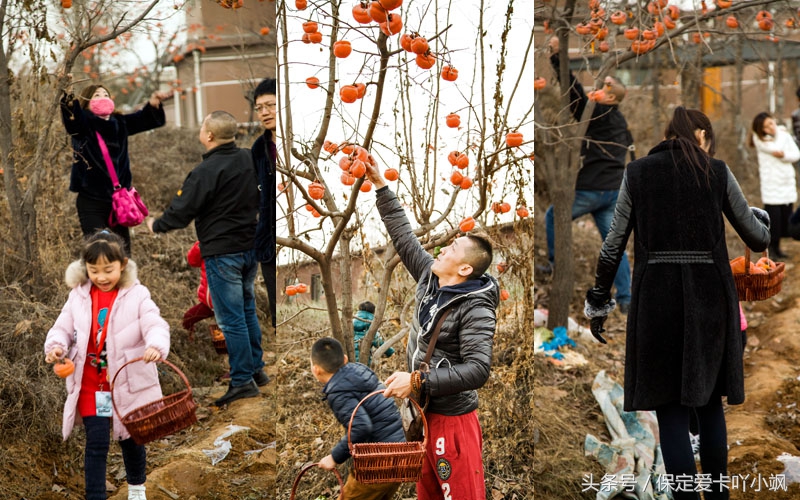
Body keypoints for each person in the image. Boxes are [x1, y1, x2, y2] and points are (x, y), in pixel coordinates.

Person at [584, 107, 771, 500]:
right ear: (700, 133)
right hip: (711, 301)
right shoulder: (716, 171)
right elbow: (756, 238)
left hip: (656, 302)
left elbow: (613, 243)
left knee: (670, 411)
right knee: (710, 407)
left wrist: (598, 301)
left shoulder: (637, 173)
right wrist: (760, 218)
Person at [364, 163, 500, 500]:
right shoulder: (431, 277)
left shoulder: (476, 308)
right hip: (423, 414)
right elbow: (403, 235)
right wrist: (381, 186)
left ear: (465, 268)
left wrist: (415, 381)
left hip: (453, 422)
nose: (441, 250)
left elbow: (479, 369)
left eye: (452, 250)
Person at [146, 110, 268, 407]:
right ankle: (256, 370)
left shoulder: (205, 171)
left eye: (203, 126)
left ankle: (241, 381)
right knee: (247, 308)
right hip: (250, 247)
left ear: (209, 135)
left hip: (222, 252)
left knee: (231, 319)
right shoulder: (249, 159)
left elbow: (182, 210)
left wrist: (156, 225)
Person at [43, 230, 170, 500]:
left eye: (108, 270)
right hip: (92, 383)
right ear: (85, 268)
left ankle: (136, 489)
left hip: (126, 381)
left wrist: (155, 346)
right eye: (94, 270)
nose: (101, 277)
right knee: (96, 443)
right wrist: (56, 347)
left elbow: (154, 323)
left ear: (122, 265)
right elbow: (62, 328)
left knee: (131, 439)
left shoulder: (136, 295)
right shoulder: (78, 296)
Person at [543, 36, 633, 313]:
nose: (598, 91)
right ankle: (627, 298)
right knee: (613, 245)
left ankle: (555, 265)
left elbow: (574, 94)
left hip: (592, 190)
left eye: (604, 88)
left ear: (611, 98)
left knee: (552, 216)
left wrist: (557, 58)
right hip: (613, 192)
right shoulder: (619, 121)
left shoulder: (600, 113)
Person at [60, 81, 170, 254]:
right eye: (96, 95)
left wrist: (154, 103)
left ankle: (124, 281)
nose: (102, 98)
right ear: (87, 102)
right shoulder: (84, 125)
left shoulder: (120, 122)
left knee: (122, 252)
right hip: (91, 200)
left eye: (105, 94)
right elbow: (72, 122)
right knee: (97, 249)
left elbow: (144, 119)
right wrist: (68, 97)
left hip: (120, 201)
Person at [311, 337, 405, 499]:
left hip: (379, 462)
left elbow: (361, 427)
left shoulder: (338, 392)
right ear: (345, 359)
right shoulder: (358, 372)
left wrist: (334, 457)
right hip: (401, 455)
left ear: (316, 370)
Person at [749, 111, 800, 258]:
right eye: (766, 127)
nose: (771, 128)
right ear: (761, 130)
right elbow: (774, 149)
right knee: (773, 221)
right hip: (771, 185)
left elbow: (796, 154)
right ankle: (771, 250)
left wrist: (784, 155)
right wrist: (783, 137)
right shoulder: (760, 140)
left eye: (771, 123)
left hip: (786, 184)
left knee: (785, 220)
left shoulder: (784, 136)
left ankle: (778, 250)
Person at [251, 78, 277, 330]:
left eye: (270, 105)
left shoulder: (297, 141)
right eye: (260, 108)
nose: (265, 112)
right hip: (268, 239)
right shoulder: (259, 148)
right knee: (276, 307)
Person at [181, 240, 215, 338]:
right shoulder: (206, 240)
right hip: (209, 302)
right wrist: (200, 245)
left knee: (222, 328)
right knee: (188, 319)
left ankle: (223, 351)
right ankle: (191, 345)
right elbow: (193, 261)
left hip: (222, 302)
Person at [353, 301, 395, 366]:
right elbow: (379, 342)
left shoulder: (351, 322)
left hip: (347, 361)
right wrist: (391, 352)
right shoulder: (371, 325)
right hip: (362, 363)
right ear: (373, 311)